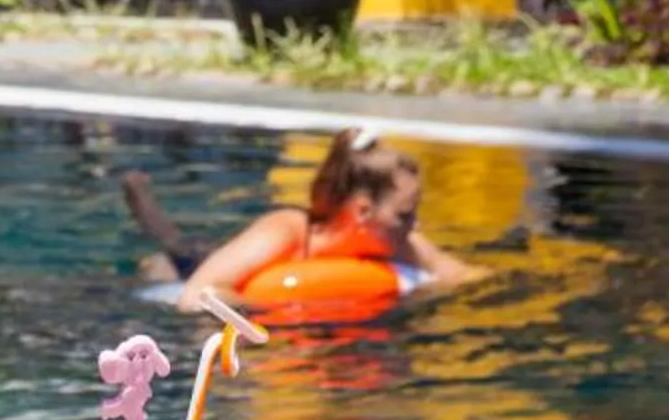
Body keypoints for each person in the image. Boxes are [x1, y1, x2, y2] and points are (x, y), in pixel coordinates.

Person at [124, 126, 482, 306]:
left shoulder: (399, 241)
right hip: (220, 266)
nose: (415, 225)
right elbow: (196, 296)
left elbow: (467, 277)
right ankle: (144, 204)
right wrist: (273, 308)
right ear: (362, 210)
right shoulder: (284, 231)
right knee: (174, 252)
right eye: (405, 214)